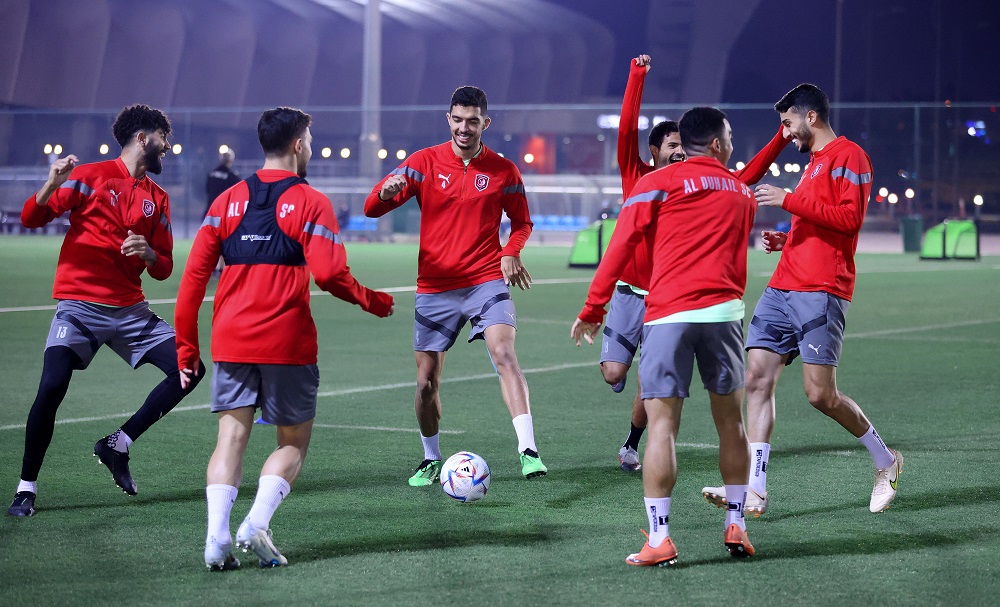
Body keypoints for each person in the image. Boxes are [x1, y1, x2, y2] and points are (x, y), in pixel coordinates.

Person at [174, 107, 394, 570]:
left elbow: (193, 279)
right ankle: (256, 522)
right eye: (309, 139)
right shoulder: (311, 201)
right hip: (286, 342)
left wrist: (186, 346)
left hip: (231, 339)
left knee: (230, 439)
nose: (310, 147)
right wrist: (371, 299)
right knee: (292, 443)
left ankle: (215, 540)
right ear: (298, 144)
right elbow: (331, 273)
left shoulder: (226, 201)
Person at [701, 84, 903, 516]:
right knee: (755, 379)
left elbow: (849, 220)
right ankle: (755, 489)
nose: (786, 134)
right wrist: (788, 236)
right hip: (782, 286)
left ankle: (886, 461)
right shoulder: (813, 163)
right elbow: (819, 218)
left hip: (821, 289)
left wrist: (788, 201)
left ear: (810, 117)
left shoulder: (850, 156)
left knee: (820, 395)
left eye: (788, 124)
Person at [572, 106, 760, 566]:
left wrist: (594, 307)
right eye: (730, 135)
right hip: (724, 317)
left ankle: (660, 539)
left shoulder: (653, 184)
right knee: (731, 424)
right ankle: (736, 522)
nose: (732, 142)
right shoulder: (741, 192)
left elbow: (620, 246)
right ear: (716, 143)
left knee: (662, 427)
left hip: (668, 313)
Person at [8, 104, 202, 517]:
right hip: (78, 307)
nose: (167, 147)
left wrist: (149, 252)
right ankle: (26, 487)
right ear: (143, 138)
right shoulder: (89, 177)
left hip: (131, 311)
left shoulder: (158, 198)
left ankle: (119, 444)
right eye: (163, 138)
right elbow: (31, 217)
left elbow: (165, 266)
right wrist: (50, 183)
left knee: (190, 368)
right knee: (51, 386)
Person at [606, 54, 789, 474]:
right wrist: (637, 76)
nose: (677, 153)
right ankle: (625, 371)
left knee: (650, 385)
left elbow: (747, 174)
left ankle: (632, 444)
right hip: (629, 293)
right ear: (656, 151)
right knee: (614, 370)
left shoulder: (698, 185)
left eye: (680, 146)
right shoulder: (639, 177)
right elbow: (625, 129)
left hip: (668, 302)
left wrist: (779, 138)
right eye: (670, 146)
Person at [364, 85, 547, 485]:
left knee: (504, 354)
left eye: (473, 121)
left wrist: (511, 251)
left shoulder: (503, 170)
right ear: (448, 119)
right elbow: (371, 208)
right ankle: (431, 458)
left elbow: (522, 222)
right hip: (434, 287)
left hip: (485, 279)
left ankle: (528, 450)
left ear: (486, 122)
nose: (465, 128)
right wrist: (385, 192)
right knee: (426, 381)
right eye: (458, 120)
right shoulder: (422, 162)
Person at [205, 149, 240, 215]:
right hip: (225, 212)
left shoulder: (211, 174)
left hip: (211, 210)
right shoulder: (232, 176)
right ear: (231, 160)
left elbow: (208, 190)